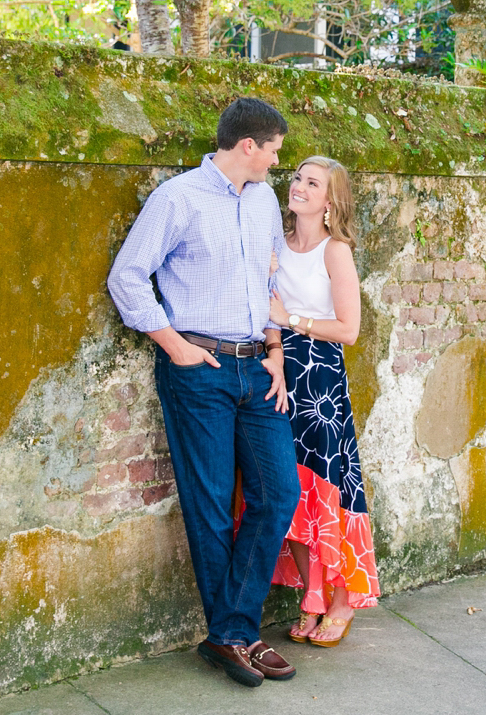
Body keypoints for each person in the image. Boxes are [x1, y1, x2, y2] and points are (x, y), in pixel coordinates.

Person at [106, 98, 300, 688]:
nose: (276, 163)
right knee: (211, 506)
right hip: (200, 369)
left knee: (278, 494)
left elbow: (269, 277)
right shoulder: (178, 198)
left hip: (255, 367)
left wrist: (275, 352)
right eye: (273, 150)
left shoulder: (263, 199)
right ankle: (238, 636)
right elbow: (127, 277)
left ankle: (231, 632)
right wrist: (175, 346)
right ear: (249, 146)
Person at [268, 155, 380, 647]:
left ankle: (337, 602)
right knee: (284, 492)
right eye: (296, 178)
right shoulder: (276, 242)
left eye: (312, 183)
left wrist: (291, 320)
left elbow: (349, 330)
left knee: (325, 493)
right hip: (276, 374)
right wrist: (275, 340)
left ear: (330, 202)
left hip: (319, 382)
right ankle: (309, 599)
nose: (299, 187)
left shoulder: (335, 252)